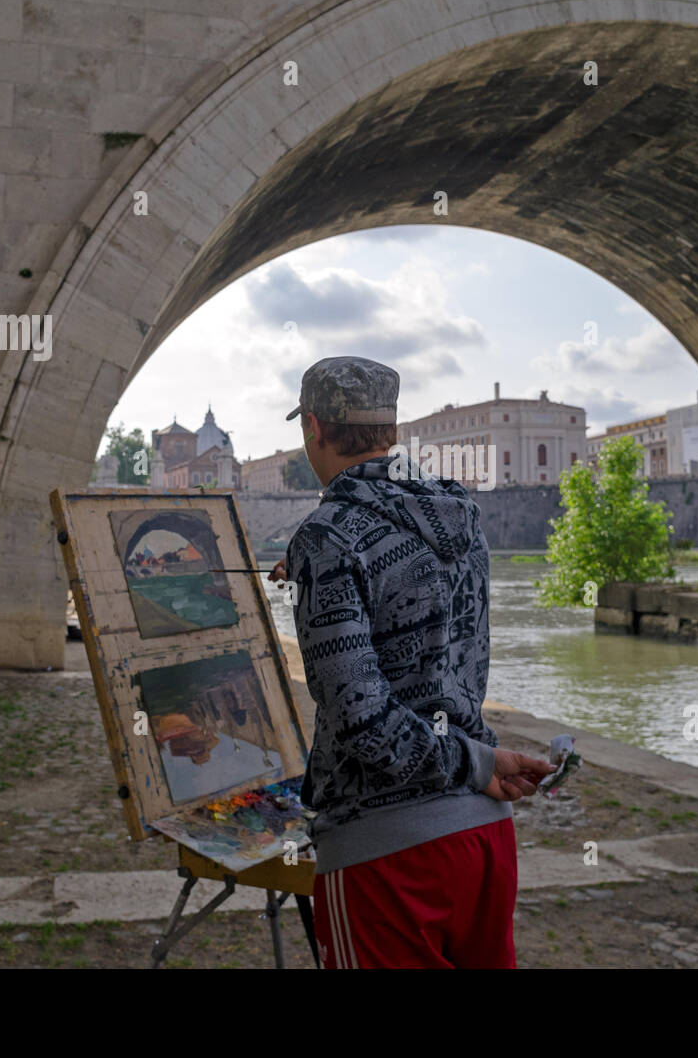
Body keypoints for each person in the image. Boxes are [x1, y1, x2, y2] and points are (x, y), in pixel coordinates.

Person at [269, 356, 555, 969]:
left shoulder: (326, 537)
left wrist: (320, 568)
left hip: (389, 854)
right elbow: (418, 600)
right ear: (391, 433)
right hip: (484, 839)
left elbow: (365, 723)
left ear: (313, 427)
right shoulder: (462, 518)